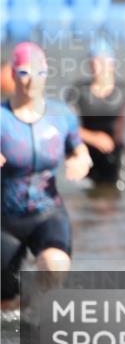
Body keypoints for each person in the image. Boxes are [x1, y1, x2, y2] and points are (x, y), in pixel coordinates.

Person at [2, 43, 92, 310]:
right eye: (24, 73)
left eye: (39, 73)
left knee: (55, 266)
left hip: (47, 213)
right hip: (5, 220)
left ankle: (41, 323)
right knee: (6, 307)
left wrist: (80, 161)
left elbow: (80, 150)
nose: (32, 81)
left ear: (47, 73)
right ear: (13, 74)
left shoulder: (61, 115)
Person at [67, 37, 125, 192]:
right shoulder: (78, 91)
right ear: (89, 64)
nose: (100, 67)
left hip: (117, 156)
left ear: (112, 64)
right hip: (88, 156)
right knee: (93, 200)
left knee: (116, 199)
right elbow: (64, 125)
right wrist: (93, 137)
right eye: (96, 61)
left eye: (104, 61)